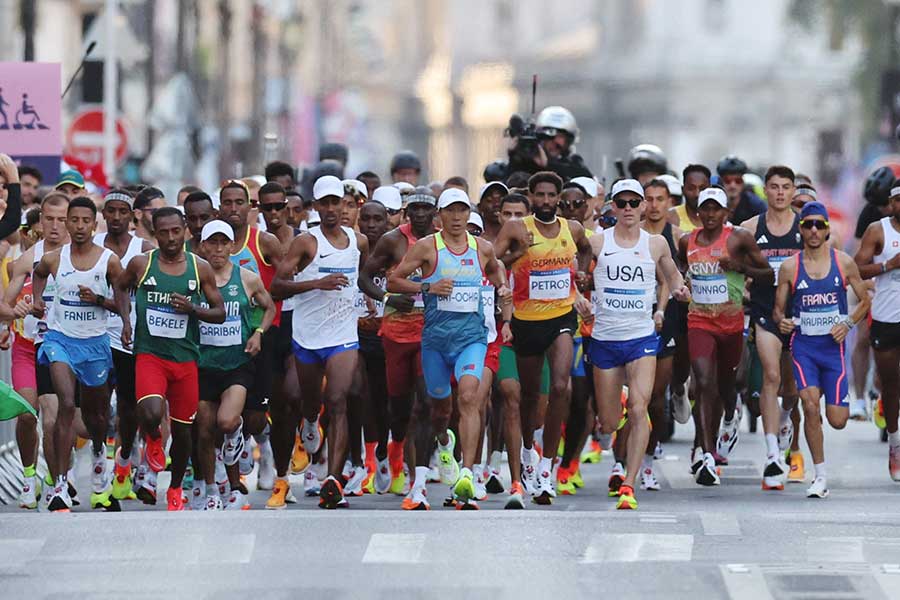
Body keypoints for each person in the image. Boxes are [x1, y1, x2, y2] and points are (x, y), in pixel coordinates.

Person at [387, 188, 511, 510]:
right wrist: (427, 286)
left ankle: (467, 476)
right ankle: (443, 445)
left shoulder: (482, 248)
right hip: (435, 342)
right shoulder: (428, 248)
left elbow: (496, 271)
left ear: (468, 214)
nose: (457, 218)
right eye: (450, 212)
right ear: (439, 215)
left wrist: (502, 288)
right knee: (437, 408)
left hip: (471, 338)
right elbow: (393, 281)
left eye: (462, 211)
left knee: (470, 397)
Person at [115, 207, 226, 511]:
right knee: (150, 412)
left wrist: (193, 310)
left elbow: (220, 313)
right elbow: (121, 287)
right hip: (150, 355)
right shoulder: (142, 263)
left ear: (186, 230)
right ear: (155, 233)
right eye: (163, 232)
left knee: (182, 432)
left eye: (176, 231)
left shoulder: (199, 267)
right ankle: (152, 438)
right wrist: (126, 321)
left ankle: (175, 488)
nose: (170, 238)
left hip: (186, 359)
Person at [492, 171, 593, 504]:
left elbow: (585, 249)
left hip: (561, 316)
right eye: (541, 196)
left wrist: (580, 271)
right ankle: (526, 452)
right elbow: (491, 263)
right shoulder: (517, 229)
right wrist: (514, 256)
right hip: (526, 319)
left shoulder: (572, 228)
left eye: (553, 196)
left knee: (562, 387)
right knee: (531, 397)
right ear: (531, 197)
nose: (547, 201)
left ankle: (548, 466)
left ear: (559, 197)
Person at [590, 179, 690, 510]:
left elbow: (673, 276)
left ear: (644, 207)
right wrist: (578, 293)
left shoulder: (656, 243)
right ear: (614, 207)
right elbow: (574, 270)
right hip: (605, 339)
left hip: (641, 338)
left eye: (636, 202)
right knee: (608, 422)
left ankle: (629, 484)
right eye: (623, 203)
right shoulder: (598, 242)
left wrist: (680, 290)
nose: (630, 208)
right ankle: (612, 408)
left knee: (639, 408)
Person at [272, 175, 369, 509]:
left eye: (336, 202)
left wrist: (380, 298)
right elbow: (277, 288)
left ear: (345, 204)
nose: (331, 209)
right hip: (308, 336)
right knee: (310, 402)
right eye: (324, 203)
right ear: (315, 207)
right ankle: (310, 421)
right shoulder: (306, 243)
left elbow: (364, 278)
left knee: (339, 398)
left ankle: (332, 479)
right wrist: (316, 284)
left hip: (343, 334)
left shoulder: (358, 242)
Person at [32, 197, 125, 511]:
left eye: (86, 221)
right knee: (66, 405)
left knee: (97, 416)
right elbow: (38, 272)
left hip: (96, 344)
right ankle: (59, 486)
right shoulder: (55, 258)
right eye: (75, 221)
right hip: (60, 339)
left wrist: (104, 304)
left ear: (94, 223)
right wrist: (37, 301)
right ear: (68, 222)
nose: (80, 227)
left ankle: (100, 455)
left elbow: (123, 298)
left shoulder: (109, 261)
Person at [677, 186, 771, 486]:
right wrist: (683, 286)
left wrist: (740, 267)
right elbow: (683, 270)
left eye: (716, 209)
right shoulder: (686, 241)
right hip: (699, 321)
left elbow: (768, 273)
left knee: (728, 387)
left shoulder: (739, 238)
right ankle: (707, 455)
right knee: (703, 382)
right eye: (705, 208)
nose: (710, 214)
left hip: (731, 325)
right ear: (698, 211)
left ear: (726, 213)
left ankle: (731, 414)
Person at [774, 202, 869, 498]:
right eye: (808, 225)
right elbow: (777, 310)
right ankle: (820, 475)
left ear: (828, 229)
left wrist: (849, 324)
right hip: (803, 348)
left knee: (838, 420)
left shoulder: (843, 263)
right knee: (810, 406)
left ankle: (822, 413)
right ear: (800, 229)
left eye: (819, 225)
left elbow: (865, 300)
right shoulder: (791, 266)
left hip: (832, 350)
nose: (814, 230)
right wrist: (784, 322)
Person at [359, 186, 438, 497]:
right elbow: (364, 278)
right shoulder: (393, 241)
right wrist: (390, 296)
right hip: (395, 334)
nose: (420, 214)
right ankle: (395, 448)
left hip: (431, 333)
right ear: (407, 212)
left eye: (425, 209)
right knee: (400, 406)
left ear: (435, 214)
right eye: (414, 208)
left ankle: (418, 476)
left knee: (426, 402)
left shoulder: (443, 242)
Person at [195, 220, 275, 510]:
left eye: (223, 243)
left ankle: (237, 431)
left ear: (231, 246)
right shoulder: (193, 277)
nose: (217, 249)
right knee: (205, 429)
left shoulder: (247, 278)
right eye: (212, 243)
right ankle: (212, 491)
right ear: (202, 246)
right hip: (204, 364)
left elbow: (270, 307)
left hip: (236, 364)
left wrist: (259, 333)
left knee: (226, 421)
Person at [218, 179, 283, 499]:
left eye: (238, 203)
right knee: (224, 413)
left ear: (249, 207)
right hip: (220, 339)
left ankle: (263, 445)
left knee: (255, 417)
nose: (232, 209)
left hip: (260, 336)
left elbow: (285, 281)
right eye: (227, 203)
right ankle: (230, 482)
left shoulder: (264, 242)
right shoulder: (209, 244)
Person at [4, 192, 69, 509]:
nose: (55, 226)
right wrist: (13, 314)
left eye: (62, 220)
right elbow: (5, 303)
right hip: (27, 350)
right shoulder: (27, 260)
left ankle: (59, 482)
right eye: (49, 219)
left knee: (56, 420)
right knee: (28, 415)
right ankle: (29, 478)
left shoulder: (82, 256)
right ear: (40, 221)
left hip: (63, 347)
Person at [740, 166, 803, 490]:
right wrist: (745, 288)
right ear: (766, 190)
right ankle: (772, 454)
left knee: (791, 390)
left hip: (800, 316)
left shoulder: (807, 229)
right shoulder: (751, 228)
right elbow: (736, 267)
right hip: (765, 314)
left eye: (786, 187)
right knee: (771, 377)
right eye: (774, 187)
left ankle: (787, 419)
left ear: (794, 191)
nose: (780, 193)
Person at [94, 189, 153, 502]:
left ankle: (124, 459)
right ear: (103, 215)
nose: (116, 218)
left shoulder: (144, 249)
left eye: (122, 212)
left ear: (133, 216)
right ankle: (100, 464)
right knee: (100, 405)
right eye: (111, 211)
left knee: (130, 407)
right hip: (97, 335)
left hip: (132, 338)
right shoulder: (93, 250)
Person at [640, 178, 685, 490]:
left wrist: (663, 306)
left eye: (660, 199)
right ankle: (624, 457)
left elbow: (674, 276)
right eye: (649, 199)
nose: (654, 205)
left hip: (666, 320)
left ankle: (647, 459)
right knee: (633, 399)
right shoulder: (629, 233)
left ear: (670, 202)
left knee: (656, 397)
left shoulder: (676, 236)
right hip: (628, 318)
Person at [854, 183, 900, 481]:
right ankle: (895, 445)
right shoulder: (877, 230)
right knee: (890, 383)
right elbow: (857, 269)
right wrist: (888, 264)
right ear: (891, 204)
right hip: (886, 316)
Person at [353, 201, 391, 494]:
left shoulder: (398, 251)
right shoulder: (350, 250)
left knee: (386, 400)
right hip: (355, 334)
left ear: (387, 220)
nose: (371, 224)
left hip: (391, 334)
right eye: (365, 219)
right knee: (359, 394)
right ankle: (364, 461)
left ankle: (387, 454)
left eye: (378, 219)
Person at [717, 155, 767, 226]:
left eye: (738, 181)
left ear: (743, 183)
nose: (733, 185)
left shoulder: (755, 204)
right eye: (727, 181)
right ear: (721, 182)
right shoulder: (713, 203)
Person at [669, 164, 709, 232]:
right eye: (691, 188)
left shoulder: (720, 218)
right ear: (682, 190)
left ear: (710, 189)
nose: (697, 194)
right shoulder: (670, 218)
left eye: (702, 189)